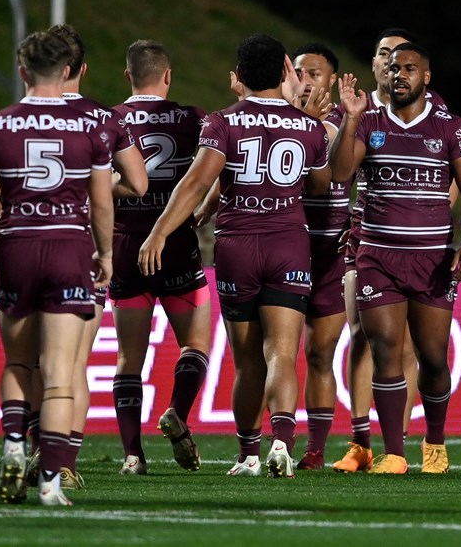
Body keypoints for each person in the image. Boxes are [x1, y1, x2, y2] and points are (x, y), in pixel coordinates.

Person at [139, 33, 331, 478]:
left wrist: (159, 232)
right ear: (284, 72)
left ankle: (247, 455)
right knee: (282, 353)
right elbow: (322, 185)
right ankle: (281, 443)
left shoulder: (222, 122)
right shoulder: (309, 126)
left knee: (246, 361)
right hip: (287, 245)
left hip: (238, 246)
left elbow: (195, 182)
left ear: (240, 74)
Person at [0, 30, 115, 506]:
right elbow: (102, 202)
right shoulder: (91, 126)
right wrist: (106, 254)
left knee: (19, 363)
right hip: (69, 247)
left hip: (17, 247)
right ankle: (49, 482)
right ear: (67, 71)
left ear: (22, 70)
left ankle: (12, 445)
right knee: (60, 374)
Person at [329, 42, 461, 474]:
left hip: (432, 261)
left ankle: (434, 442)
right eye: (394, 68)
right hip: (378, 257)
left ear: (426, 77)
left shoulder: (450, 126)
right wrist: (351, 120)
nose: (400, 75)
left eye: (409, 68)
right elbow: (340, 172)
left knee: (433, 357)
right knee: (385, 350)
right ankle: (394, 453)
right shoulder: (369, 120)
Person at [17, 23, 147, 490]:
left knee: (32, 362)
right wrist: (94, 191)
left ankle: (33, 450)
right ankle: (63, 462)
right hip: (82, 251)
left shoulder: (16, 117)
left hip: (24, 247)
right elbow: (138, 183)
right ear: (81, 68)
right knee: (70, 363)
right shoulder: (103, 118)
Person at [109, 40, 212, 476]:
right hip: (175, 244)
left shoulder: (109, 119)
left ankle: (133, 455)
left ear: (127, 75)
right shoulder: (193, 119)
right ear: (167, 75)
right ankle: (177, 413)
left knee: (128, 358)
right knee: (196, 344)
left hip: (125, 245)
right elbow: (218, 166)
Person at [289, 42, 350, 470]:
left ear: (332, 80)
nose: (306, 80)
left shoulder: (349, 122)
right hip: (284, 248)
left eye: (314, 73)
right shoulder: (277, 119)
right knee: (272, 353)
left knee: (319, 353)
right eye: (299, 72)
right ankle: (260, 446)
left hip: (330, 252)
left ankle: (315, 449)